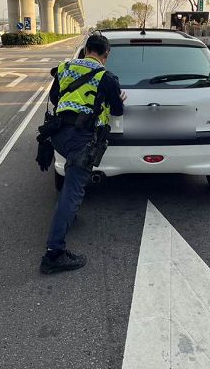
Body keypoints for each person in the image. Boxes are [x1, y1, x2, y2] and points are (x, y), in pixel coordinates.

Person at [40, 34, 125, 274]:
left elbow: (55, 98)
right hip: (81, 138)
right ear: (106, 55)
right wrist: (118, 98)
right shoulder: (106, 77)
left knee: (70, 174)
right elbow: (117, 110)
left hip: (58, 135)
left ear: (86, 49)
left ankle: (67, 216)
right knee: (73, 191)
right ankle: (53, 254)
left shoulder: (65, 67)